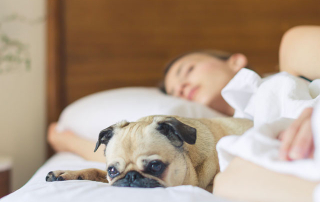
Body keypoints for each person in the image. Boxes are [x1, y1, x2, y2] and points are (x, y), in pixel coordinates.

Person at [47, 25, 320, 201]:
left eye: (187, 70)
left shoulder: (292, 61)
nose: (182, 87)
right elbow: (129, 154)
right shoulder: (216, 149)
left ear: (235, 61)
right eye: (175, 92)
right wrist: (67, 141)